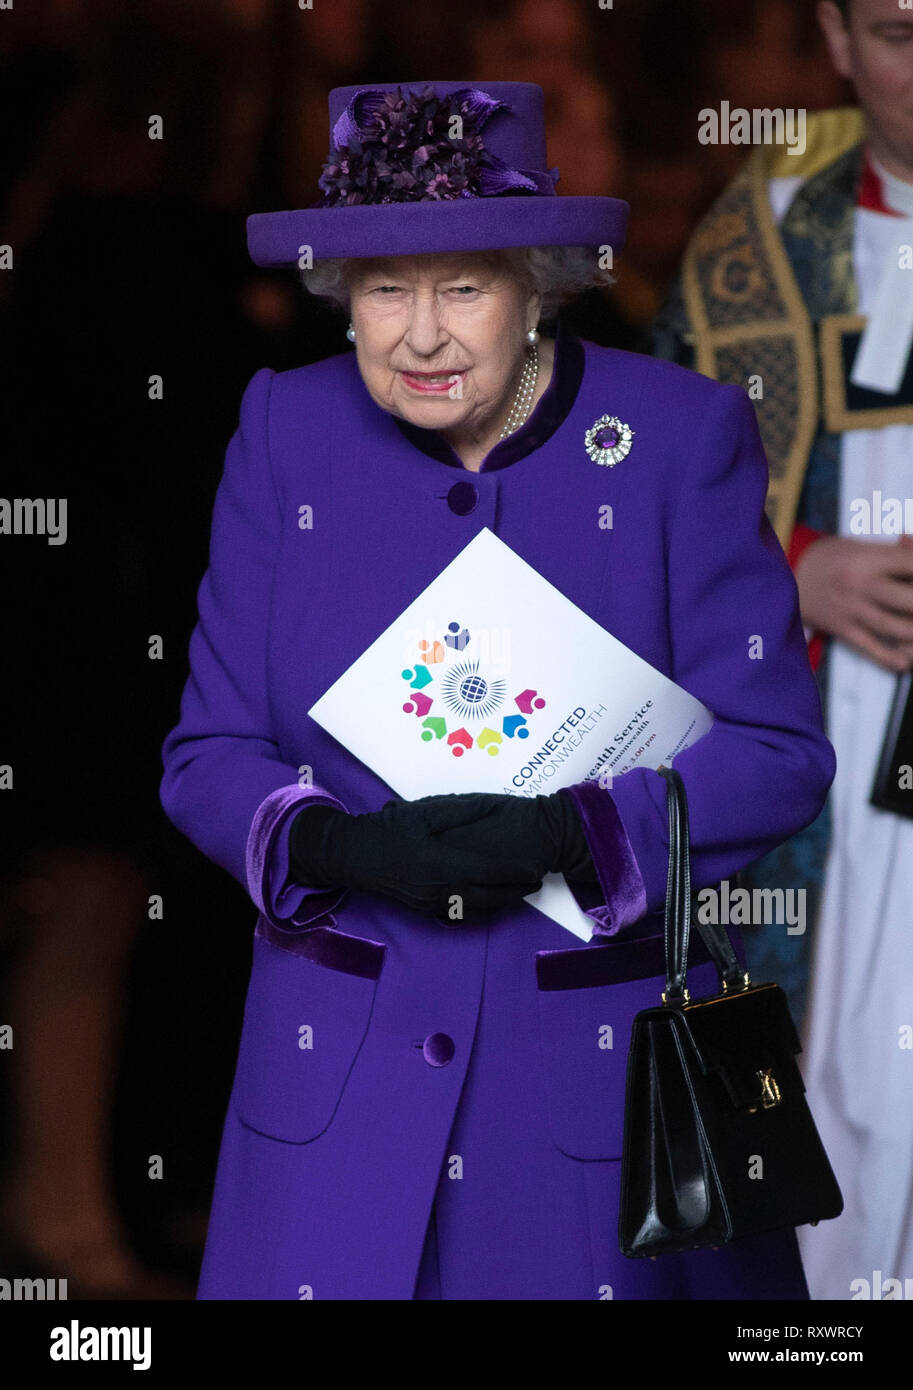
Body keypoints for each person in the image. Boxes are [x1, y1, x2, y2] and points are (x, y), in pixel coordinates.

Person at [159, 79, 835, 1301]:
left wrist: (577, 829)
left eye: (462, 285)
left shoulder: (679, 434)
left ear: (542, 287)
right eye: (382, 291)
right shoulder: (281, 430)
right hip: (335, 1102)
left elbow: (778, 750)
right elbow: (207, 753)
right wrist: (341, 845)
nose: (420, 334)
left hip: (584, 1103)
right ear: (339, 298)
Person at [645, 0, 913, 1301]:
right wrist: (801, 569)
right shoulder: (772, 224)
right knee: (836, 1080)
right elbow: (651, 491)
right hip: (832, 716)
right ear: (836, 40)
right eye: (901, 30)